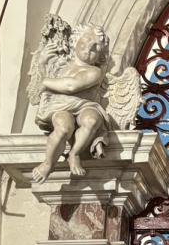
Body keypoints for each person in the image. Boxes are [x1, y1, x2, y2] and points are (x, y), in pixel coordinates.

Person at [32, 26, 111, 183]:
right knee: (63, 128)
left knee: (91, 120)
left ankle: (74, 154)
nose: (90, 46)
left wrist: (45, 82)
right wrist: (42, 62)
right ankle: (48, 164)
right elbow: (37, 88)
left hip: (84, 105)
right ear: (76, 40)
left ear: (100, 56)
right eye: (88, 39)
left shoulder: (94, 72)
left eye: (96, 47)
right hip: (60, 106)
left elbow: (71, 86)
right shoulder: (60, 65)